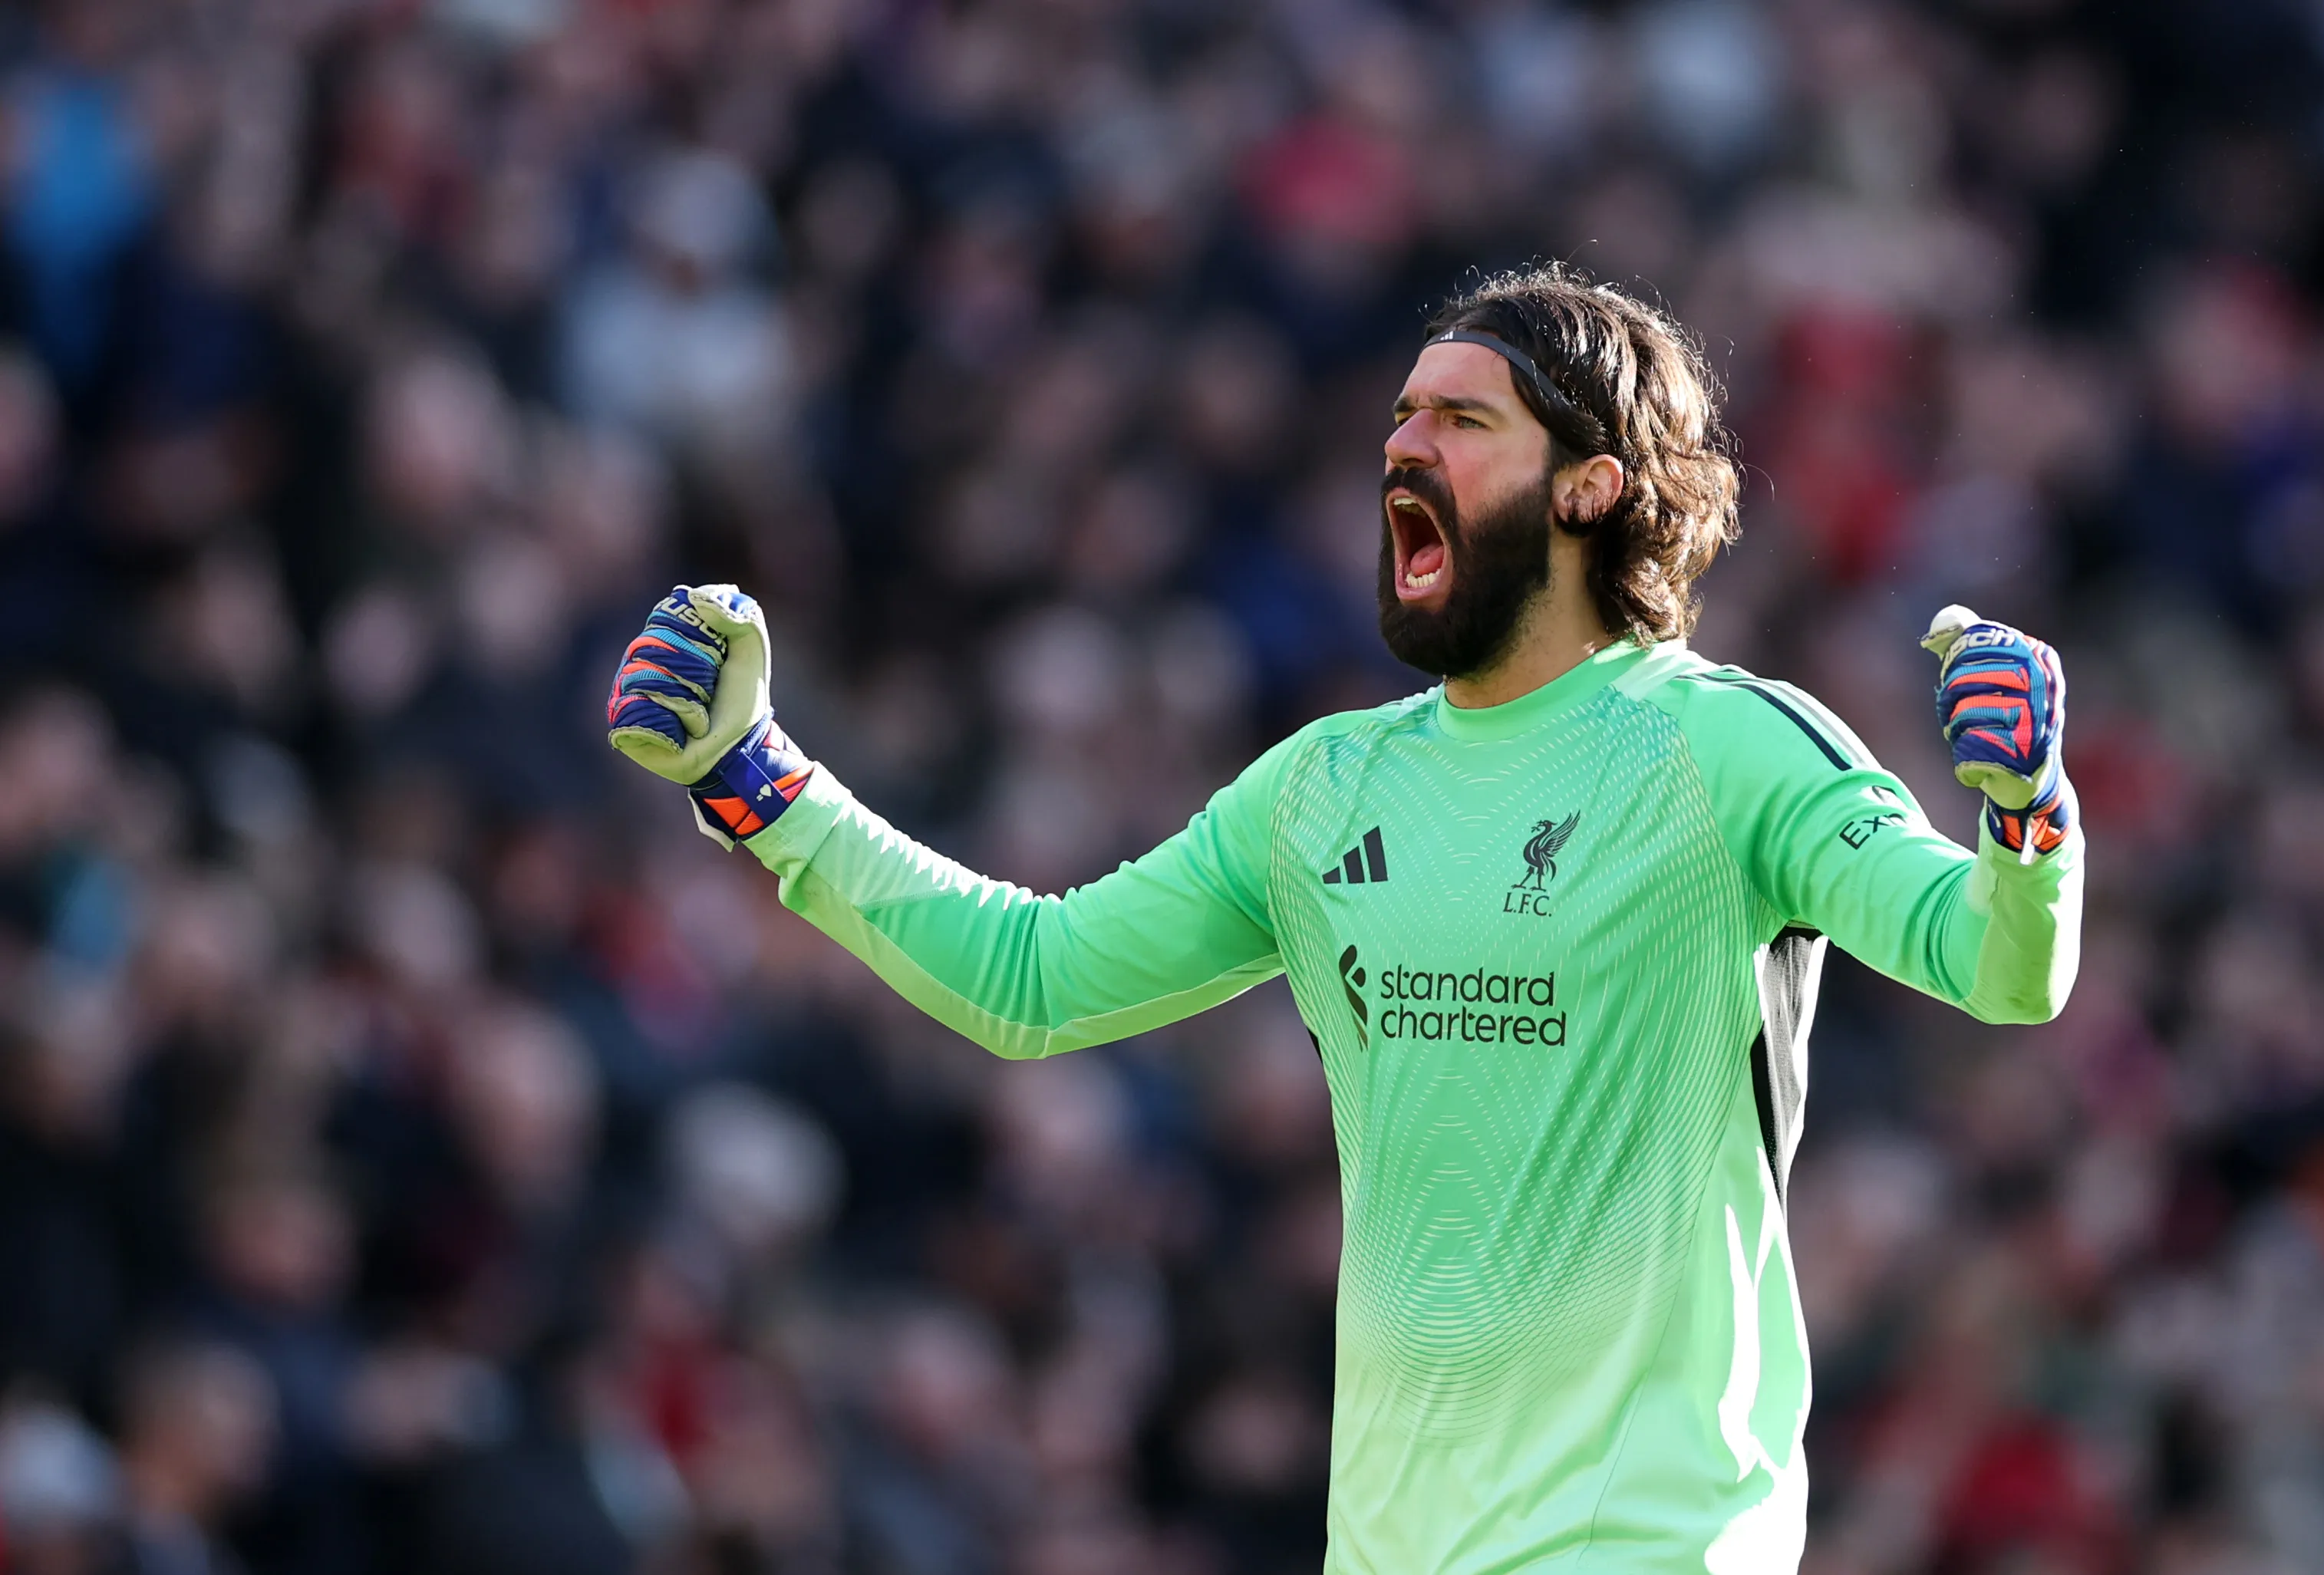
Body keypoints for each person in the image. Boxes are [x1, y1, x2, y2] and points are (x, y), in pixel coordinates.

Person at [605, 264, 2082, 1572]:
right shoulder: (1324, 785)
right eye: (1400, 413)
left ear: (1588, 486)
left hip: (1648, 1544)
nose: (1403, 442)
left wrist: (2025, 815)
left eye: (1461, 418)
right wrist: (761, 786)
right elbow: (1033, 979)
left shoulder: (1728, 748)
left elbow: (1995, 967)